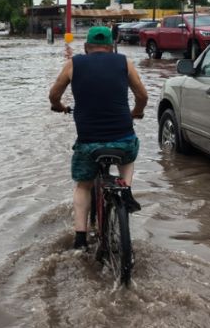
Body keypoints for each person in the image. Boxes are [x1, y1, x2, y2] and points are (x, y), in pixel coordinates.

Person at [48, 26, 148, 250]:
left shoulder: (74, 64)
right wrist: (137, 112)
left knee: (83, 186)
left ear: (86, 47)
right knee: (129, 153)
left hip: (88, 143)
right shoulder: (125, 63)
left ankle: (80, 239)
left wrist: (59, 107)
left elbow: (54, 95)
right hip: (123, 140)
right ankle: (125, 189)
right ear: (112, 47)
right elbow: (142, 96)